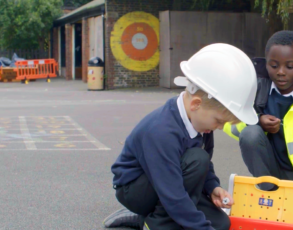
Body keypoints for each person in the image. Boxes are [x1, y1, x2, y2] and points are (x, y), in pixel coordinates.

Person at [103, 43, 259, 230]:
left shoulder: (201, 122)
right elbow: (172, 193)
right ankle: (151, 222)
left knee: (221, 223)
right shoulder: (161, 132)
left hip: (169, 181)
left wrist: (212, 188)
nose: (219, 128)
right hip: (136, 190)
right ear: (196, 104)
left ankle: (153, 217)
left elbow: (204, 167)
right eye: (218, 121)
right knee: (196, 161)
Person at [223, 30, 293, 221]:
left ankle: (281, 201)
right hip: (271, 175)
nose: (281, 72)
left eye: (290, 66)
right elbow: (228, 122)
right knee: (251, 133)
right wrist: (257, 121)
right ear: (266, 63)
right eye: (274, 65)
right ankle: (269, 193)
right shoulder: (255, 91)